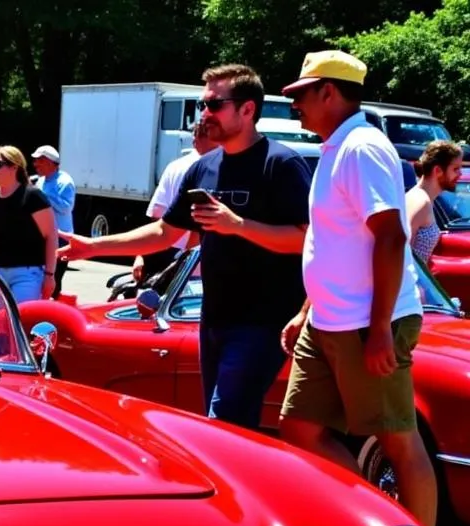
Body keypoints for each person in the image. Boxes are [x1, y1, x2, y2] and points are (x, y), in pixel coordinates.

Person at [60, 64, 311, 430]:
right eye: (202, 103)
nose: (204, 113)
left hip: (264, 321)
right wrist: (92, 247)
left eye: (214, 104)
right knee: (230, 427)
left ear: (247, 109)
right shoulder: (204, 167)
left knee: (224, 421)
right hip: (212, 318)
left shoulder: (282, 164)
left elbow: (308, 238)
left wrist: (237, 225)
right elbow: (166, 232)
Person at [278, 51, 436, 526]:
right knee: (299, 427)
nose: (294, 106)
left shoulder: (361, 147)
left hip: (368, 321)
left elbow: (390, 236)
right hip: (330, 319)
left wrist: (382, 330)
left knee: (397, 441)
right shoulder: (335, 148)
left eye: (301, 95)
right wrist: (307, 309)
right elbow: (330, 243)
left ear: (329, 91)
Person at [132, 120, 218, 286]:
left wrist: (141, 255)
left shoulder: (176, 166)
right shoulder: (213, 168)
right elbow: (196, 228)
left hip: (167, 253)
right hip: (192, 260)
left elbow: (157, 218)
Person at [0, 145, 57, 301]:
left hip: (27, 273)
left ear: (14, 167)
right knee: (4, 322)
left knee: (21, 320)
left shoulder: (32, 196)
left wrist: (50, 275)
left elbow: (51, 236)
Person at [405, 140, 462, 263]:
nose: (460, 174)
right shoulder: (420, 201)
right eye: (455, 169)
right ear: (438, 171)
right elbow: (402, 252)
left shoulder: (422, 198)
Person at [30, 145, 75, 295]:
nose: (35, 164)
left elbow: (65, 208)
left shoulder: (65, 182)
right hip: (41, 237)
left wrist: (43, 196)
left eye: (39, 161)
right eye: (35, 161)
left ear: (49, 162)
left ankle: (55, 314)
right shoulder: (40, 181)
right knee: (39, 280)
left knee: (54, 280)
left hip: (60, 238)